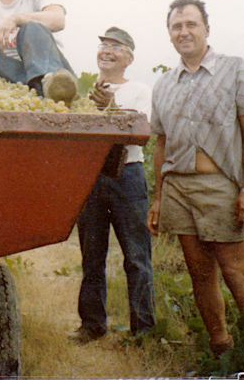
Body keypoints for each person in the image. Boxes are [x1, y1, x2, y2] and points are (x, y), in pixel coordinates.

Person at [147, 0, 244, 365]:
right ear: (169, 34)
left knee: (238, 274)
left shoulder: (237, 70)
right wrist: (158, 199)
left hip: (222, 186)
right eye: (176, 26)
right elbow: (162, 144)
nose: (183, 31)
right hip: (178, 189)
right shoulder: (163, 84)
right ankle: (220, 350)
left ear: (207, 29)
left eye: (191, 24)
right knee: (200, 273)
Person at [71, 27, 154, 342]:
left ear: (129, 58)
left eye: (115, 46)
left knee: (137, 255)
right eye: (103, 45)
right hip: (91, 176)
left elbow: (139, 132)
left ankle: (143, 331)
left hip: (127, 175)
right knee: (91, 255)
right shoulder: (82, 90)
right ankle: (92, 325)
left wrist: (111, 108)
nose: (107, 50)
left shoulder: (139, 89)